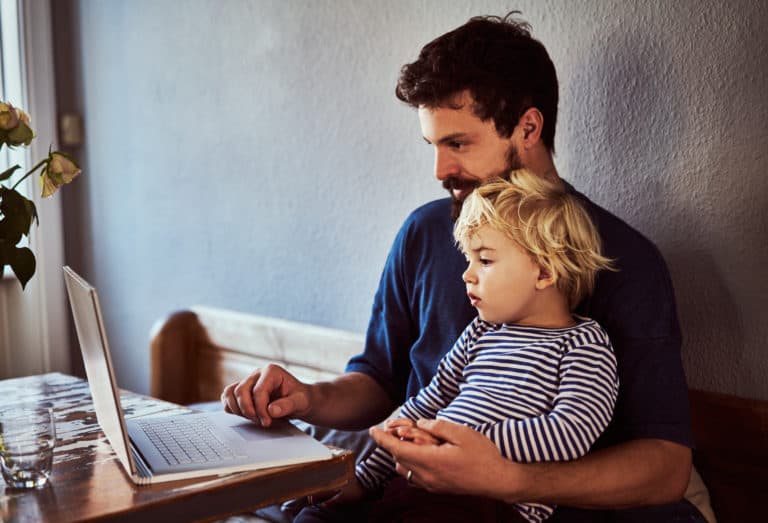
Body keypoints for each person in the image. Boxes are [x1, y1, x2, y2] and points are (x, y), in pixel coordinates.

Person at [222, 12, 705, 522]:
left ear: (528, 128)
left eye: (458, 144)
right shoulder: (426, 232)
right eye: (433, 146)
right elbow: (380, 382)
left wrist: (509, 477)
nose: (440, 171)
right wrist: (306, 399)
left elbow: (667, 467)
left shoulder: (620, 259)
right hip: (406, 485)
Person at [337, 172, 620, 523]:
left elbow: (571, 432)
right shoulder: (481, 331)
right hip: (417, 483)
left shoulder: (583, 345)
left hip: (491, 504)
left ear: (544, 272)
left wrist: (462, 440)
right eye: (469, 260)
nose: (467, 275)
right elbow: (431, 400)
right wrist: (366, 477)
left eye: (484, 261)